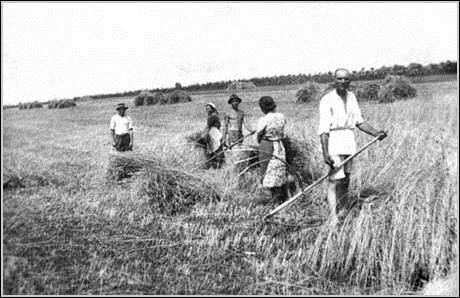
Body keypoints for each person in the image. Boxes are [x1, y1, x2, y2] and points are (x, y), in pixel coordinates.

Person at [318, 68, 387, 224]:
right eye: (340, 79)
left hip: (349, 141)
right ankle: (333, 218)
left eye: (346, 79)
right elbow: (323, 130)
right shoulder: (327, 99)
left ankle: (343, 211)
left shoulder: (352, 97)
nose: (343, 82)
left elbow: (359, 122)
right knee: (334, 180)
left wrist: (376, 133)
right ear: (334, 80)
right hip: (334, 141)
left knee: (346, 179)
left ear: (350, 81)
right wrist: (325, 153)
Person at [255, 96, 288, 204]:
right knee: (278, 170)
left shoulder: (264, 119)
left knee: (266, 172)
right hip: (280, 146)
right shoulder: (281, 116)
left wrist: (259, 140)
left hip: (267, 145)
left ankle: (269, 199)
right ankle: (280, 198)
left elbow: (259, 135)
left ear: (263, 108)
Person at [203, 103, 224, 169]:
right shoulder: (214, 115)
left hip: (214, 134)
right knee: (217, 149)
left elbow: (208, 126)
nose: (208, 110)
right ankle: (218, 164)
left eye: (209, 109)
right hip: (215, 133)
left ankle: (216, 165)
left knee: (215, 149)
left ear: (212, 109)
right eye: (207, 109)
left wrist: (203, 133)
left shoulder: (212, 116)